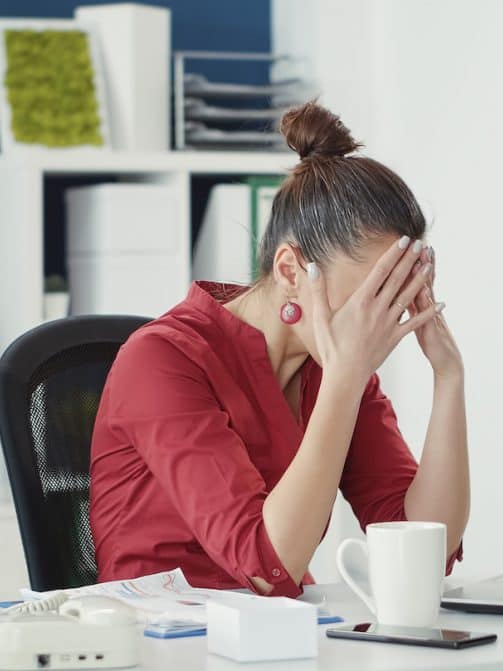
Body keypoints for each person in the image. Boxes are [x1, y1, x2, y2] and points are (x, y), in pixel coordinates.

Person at [89, 102, 469, 597]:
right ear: (291, 271)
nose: (375, 325)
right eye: (367, 299)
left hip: (282, 633)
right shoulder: (162, 360)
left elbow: (427, 546)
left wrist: (449, 376)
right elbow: (267, 565)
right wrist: (345, 380)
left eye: (393, 299)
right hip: (165, 637)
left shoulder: (332, 367)